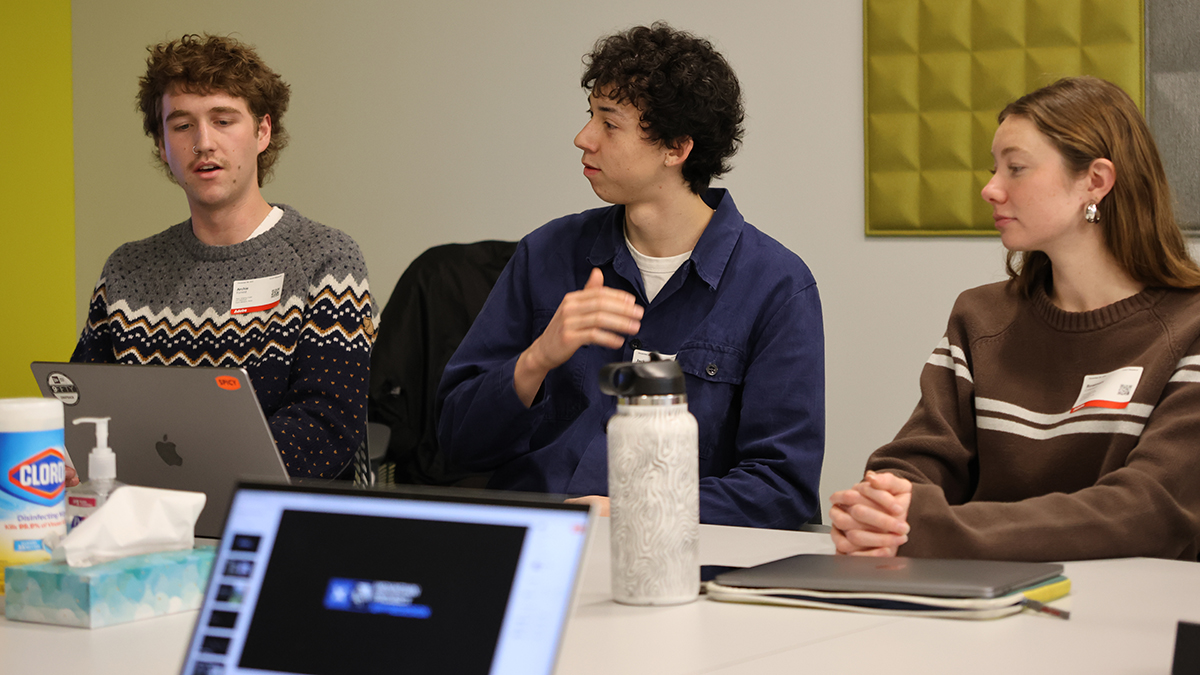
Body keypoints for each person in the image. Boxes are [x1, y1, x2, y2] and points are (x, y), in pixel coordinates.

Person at [437, 23, 825, 529]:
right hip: (540, 548)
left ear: (676, 148)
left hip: (685, 565)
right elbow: (455, 442)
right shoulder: (546, 254)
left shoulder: (776, 286)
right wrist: (536, 359)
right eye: (589, 116)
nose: (583, 138)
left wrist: (633, 513)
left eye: (609, 123)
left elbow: (781, 488)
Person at [830, 76, 1200, 561]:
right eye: (994, 169)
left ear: (1095, 181)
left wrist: (935, 528)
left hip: (1126, 620)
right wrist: (879, 508)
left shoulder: (1190, 326)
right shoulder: (980, 316)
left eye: (1017, 169)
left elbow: (1148, 511)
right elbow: (916, 462)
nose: (990, 189)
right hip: (982, 607)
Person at [72, 34, 376, 482]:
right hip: (145, 528)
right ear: (162, 146)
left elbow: (326, 426)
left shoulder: (325, 259)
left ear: (262, 132)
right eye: (181, 125)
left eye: (223, 120)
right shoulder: (127, 271)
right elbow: (82, 408)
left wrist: (195, 477)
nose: (204, 143)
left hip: (279, 525)